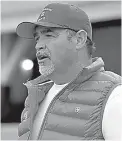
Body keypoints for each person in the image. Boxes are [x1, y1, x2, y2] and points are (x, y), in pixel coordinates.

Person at [16, 3, 122, 140]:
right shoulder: (36, 94)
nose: (38, 45)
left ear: (79, 40)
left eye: (48, 35)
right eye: (37, 38)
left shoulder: (114, 96)